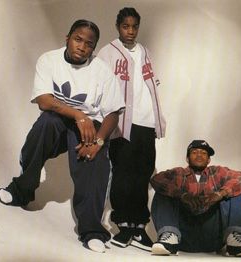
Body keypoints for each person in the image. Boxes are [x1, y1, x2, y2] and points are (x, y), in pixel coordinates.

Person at [0, 19, 125, 253]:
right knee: (46, 124)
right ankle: (21, 190)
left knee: (94, 161)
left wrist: (98, 141)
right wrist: (78, 115)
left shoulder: (102, 71)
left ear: (93, 48)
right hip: (62, 119)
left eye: (89, 44)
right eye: (78, 39)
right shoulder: (49, 60)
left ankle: (92, 230)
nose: (82, 47)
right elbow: (44, 101)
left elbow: (113, 113)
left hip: (90, 126)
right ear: (67, 38)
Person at [97, 7, 166, 251]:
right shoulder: (108, 52)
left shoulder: (145, 52)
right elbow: (102, 85)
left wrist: (159, 118)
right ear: (118, 26)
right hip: (123, 122)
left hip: (146, 122)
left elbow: (153, 88)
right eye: (126, 26)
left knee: (142, 173)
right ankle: (123, 224)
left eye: (134, 26)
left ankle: (139, 227)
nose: (130, 31)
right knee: (123, 173)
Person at [150, 140, 241, 257]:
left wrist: (220, 194)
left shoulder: (217, 172)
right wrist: (182, 195)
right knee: (163, 191)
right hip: (182, 236)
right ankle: (168, 238)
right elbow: (156, 180)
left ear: (209, 159)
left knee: (235, 191)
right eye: (194, 152)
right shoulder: (178, 173)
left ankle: (235, 240)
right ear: (187, 158)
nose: (199, 155)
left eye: (203, 153)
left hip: (213, 236)